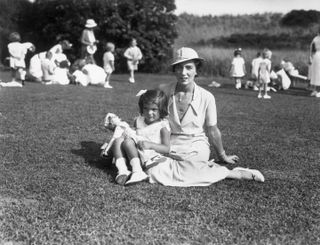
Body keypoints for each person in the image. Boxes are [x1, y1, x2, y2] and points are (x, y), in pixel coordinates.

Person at [144, 47, 264, 187]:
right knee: (152, 170)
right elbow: (149, 115)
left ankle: (234, 173)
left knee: (185, 168)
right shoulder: (162, 90)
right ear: (174, 70)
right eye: (179, 68)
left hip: (195, 145)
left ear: (196, 70)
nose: (183, 73)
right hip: (168, 144)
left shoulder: (207, 97)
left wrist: (222, 156)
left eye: (188, 68)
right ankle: (203, 168)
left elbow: (212, 130)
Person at [111, 90, 171, 185]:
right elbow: (134, 133)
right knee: (118, 140)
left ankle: (138, 171)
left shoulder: (162, 126)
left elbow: (166, 149)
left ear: (161, 109)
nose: (149, 113)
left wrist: (151, 145)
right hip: (134, 151)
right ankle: (122, 170)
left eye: (154, 109)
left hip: (147, 155)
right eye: (146, 108)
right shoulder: (139, 120)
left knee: (128, 142)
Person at [309, 28, 320, 97]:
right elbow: (312, 48)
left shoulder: (315, 38)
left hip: (316, 56)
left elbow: (312, 48)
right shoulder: (315, 38)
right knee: (316, 74)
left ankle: (317, 90)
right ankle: (316, 90)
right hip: (317, 56)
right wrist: (311, 57)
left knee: (317, 74)